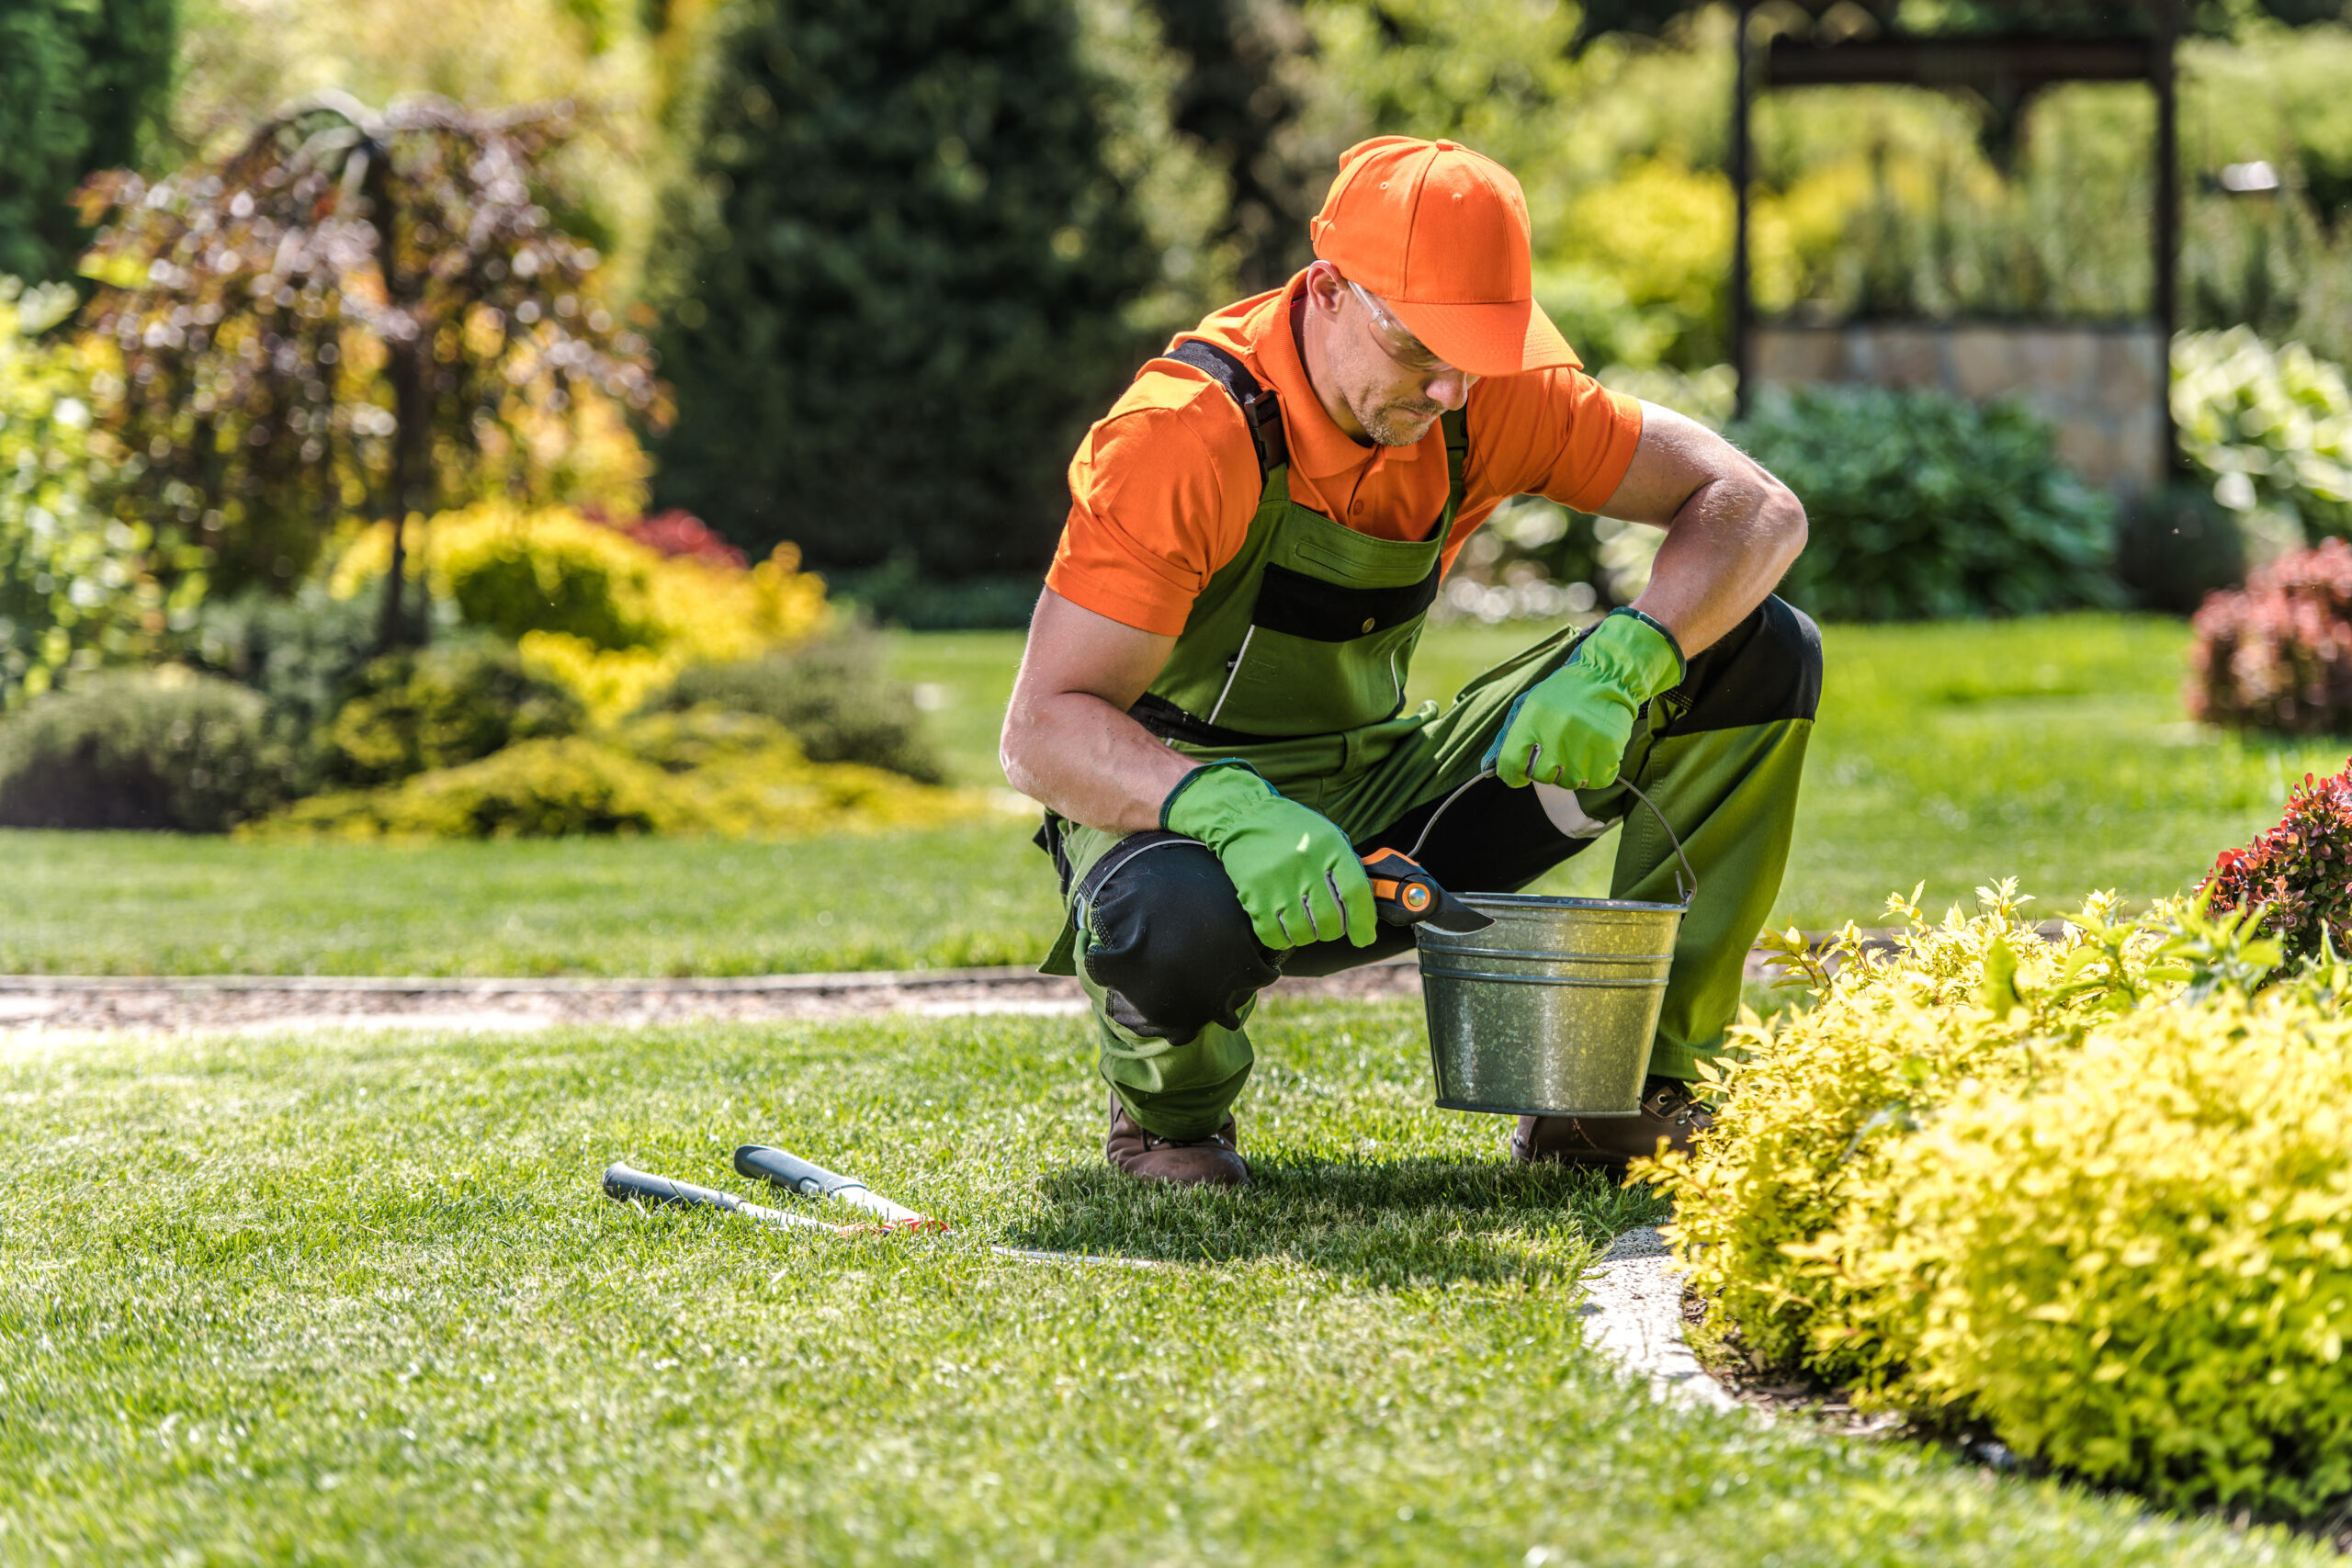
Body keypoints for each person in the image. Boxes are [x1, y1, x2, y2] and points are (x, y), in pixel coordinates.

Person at [1000, 136, 1816, 1188]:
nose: (1447, 389)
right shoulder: (1184, 437)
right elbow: (1044, 728)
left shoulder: (1482, 395)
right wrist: (1229, 810)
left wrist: (1630, 657)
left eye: (1474, 354)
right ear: (1331, 289)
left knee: (1758, 647)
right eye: (1421, 348)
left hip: (1392, 796)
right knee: (1168, 921)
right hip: (1183, 830)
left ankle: (1627, 1098)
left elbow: (1756, 508)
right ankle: (1172, 1124)